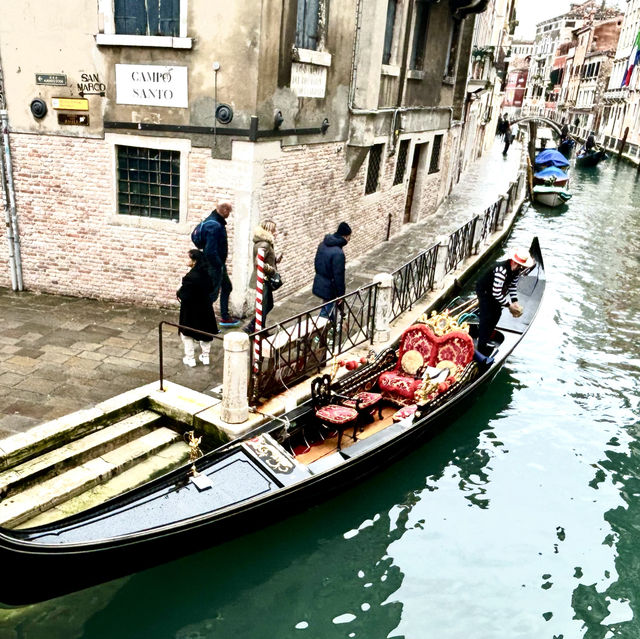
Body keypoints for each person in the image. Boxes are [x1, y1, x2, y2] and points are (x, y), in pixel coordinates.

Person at [474, 247, 535, 357]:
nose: (519, 266)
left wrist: (514, 301)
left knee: (497, 314)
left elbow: (512, 286)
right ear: (513, 261)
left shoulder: (517, 271)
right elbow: (496, 293)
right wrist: (509, 306)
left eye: (521, 265)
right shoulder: (501, 270)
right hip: (484, 291)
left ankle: (485, 339)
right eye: (517, 264)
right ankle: (481, 348)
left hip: (494, 292)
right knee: (486, 317)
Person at [199, 200, 240, 327]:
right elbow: (210, 251)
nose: (230, 214)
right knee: (212, 294)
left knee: (227, 287)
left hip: (218, 264)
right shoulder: (215, 225)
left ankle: (225, 317)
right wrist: (219, 264)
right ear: (224, 210)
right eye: (229, 211)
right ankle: (202, 322)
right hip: (215, 265)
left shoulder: (215, 221)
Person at [177, 249, 219, 367]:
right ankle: (205, 357)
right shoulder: (206, 274)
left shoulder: (189, 277)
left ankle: (190, 359)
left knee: (187, 334)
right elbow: (211, 289)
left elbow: (184, 295)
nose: (187, 260)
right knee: (205, 333)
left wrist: (179, 290)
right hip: (205, 308)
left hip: (190, 310)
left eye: (189, 258)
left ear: (194, 261)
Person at [244, 220, 282, 334]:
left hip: (264, 279)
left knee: (268, 305)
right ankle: (255, 328)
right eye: (274, 230)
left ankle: (257, 326)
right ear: (269, 231)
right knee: (264, 306)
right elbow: (258, 262)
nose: (276, 233)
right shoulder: (264, 244)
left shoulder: (263, 242)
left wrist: (275, 260)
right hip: (263, 280)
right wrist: (272, 270)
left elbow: (264, 260)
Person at [313, 221, 351, 319]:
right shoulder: (338, 253)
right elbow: (338, 276)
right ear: (346, 236)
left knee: (328, 310)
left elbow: (316, 262)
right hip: (330, 288)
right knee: (324, 314)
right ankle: (317, 334)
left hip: (320, 281)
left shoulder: (322, 244)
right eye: (349, 237)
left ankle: (331, 328)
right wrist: (340, 295)